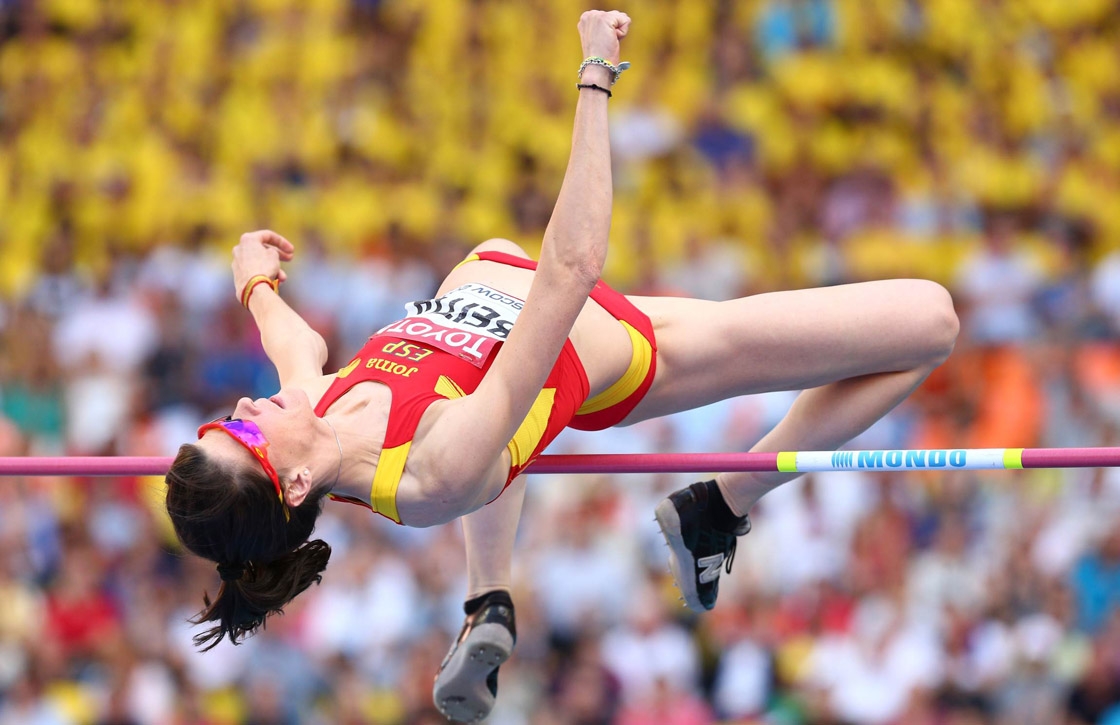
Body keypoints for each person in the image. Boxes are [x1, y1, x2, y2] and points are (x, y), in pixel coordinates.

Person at [164, 10, 959, 723]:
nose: (244, 403)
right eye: (242, 429)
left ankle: (488, 598)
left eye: (224, 420)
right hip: (636, 345)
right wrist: (595, 76)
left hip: (522, 309)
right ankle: (724, 501)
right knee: (929, 320)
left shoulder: (310, 413)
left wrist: (255, 282)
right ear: (295, 485)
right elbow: (570, 268)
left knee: (488, 430)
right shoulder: (428, 473)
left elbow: (294, 349)